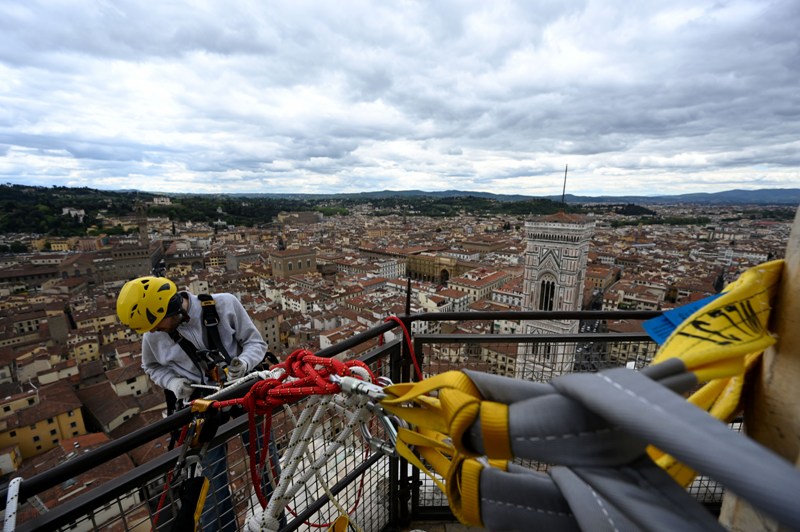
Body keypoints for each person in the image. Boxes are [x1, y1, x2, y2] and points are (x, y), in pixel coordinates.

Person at [117, 276, 280, 532]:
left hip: (244, 397)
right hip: (201, 410)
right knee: (211, 487)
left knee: (266, 467)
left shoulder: (226, 304)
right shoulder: (153, 336)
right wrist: (173, 383)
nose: (154, 332)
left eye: (157, 325)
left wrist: (243, 365)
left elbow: (256, 343)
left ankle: (278, 522)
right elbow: (150, 366)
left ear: (170, 309)